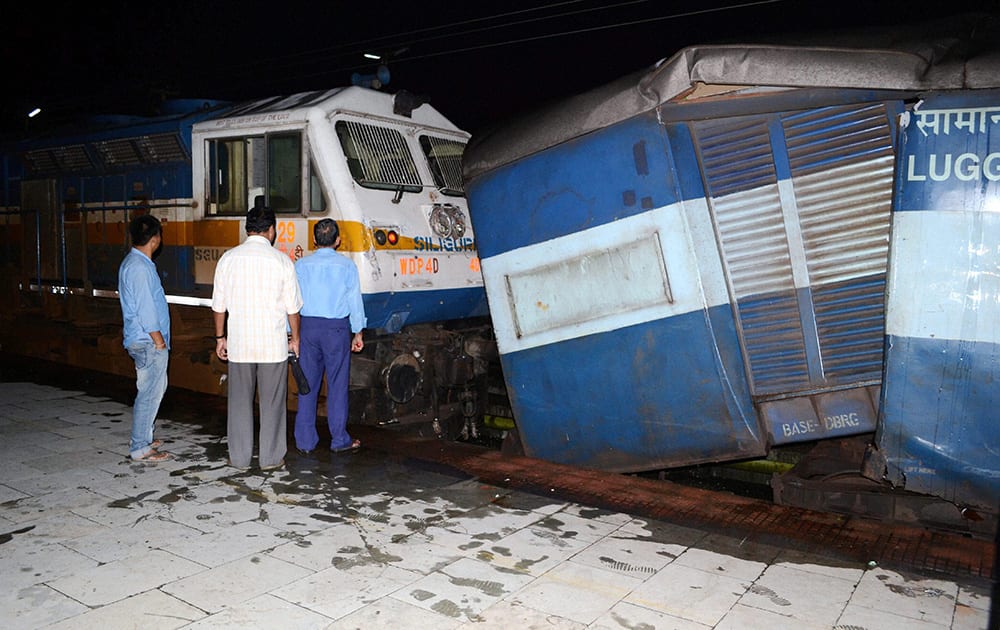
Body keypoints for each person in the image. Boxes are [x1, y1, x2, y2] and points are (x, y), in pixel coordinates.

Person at [211, 207, 303, 471]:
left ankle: (239, 458)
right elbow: (293, 310)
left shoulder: (228, 259)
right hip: (272, 346)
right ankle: (271, 459)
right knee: (273, 404)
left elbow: (219, 306)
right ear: (271, 230)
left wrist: (220, 338)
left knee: (239, 402)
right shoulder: (282, 261)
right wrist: (295, 339)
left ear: (246, 228)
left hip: (240, 345)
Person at [294, 218, 367, 454]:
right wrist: (358, 331)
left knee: (307, 385)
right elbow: (354, 301)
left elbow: (292, 302)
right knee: (336, 385)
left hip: (308, 328)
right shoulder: (347, 267)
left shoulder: (301, 265)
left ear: (314, 240)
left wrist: (290, 333)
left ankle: (305, 441)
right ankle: (339, 439)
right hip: (336, 330)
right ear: (337, 240)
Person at [118, 214, 171, 462]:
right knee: (149, 393)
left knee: (151, 390)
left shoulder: (136, 263)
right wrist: (158, 340)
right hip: (148, 341)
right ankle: (140, 447)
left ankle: (145, 436)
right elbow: (146, 309)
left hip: (144, 339)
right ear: (155, 239)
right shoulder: (139, 268)